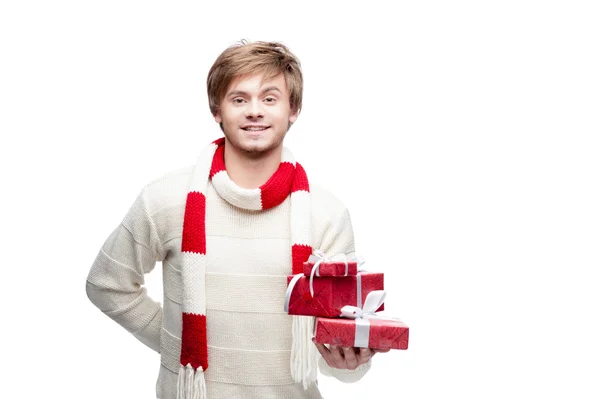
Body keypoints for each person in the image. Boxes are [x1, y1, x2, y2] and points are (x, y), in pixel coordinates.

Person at [86, 40, 387, 399]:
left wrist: (349, 363)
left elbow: (333, 347)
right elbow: (107, 284)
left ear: (294, 110)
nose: (254, 111)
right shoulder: (165, 199)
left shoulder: (326, 214)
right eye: (239, 99)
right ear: (217, 110)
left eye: (270, 98)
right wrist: (179, 345)